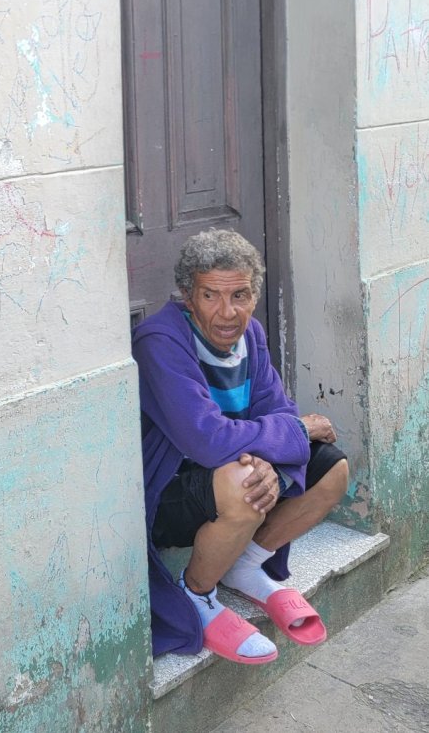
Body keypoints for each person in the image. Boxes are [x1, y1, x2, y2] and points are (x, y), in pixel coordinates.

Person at [133, 228, 349, 664]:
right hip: (167, 492)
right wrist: (291, 437)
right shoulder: (161, 342)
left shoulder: (250, 335)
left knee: (333, 471)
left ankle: (244, 564)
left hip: (234, 468)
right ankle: (197, 594)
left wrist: (275, 451)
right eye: (211, 295)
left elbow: (277, 408)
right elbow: (207, 440)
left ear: (254, 297)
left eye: (240, 296)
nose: (227, 312)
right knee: (247, 482)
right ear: (187, 296)